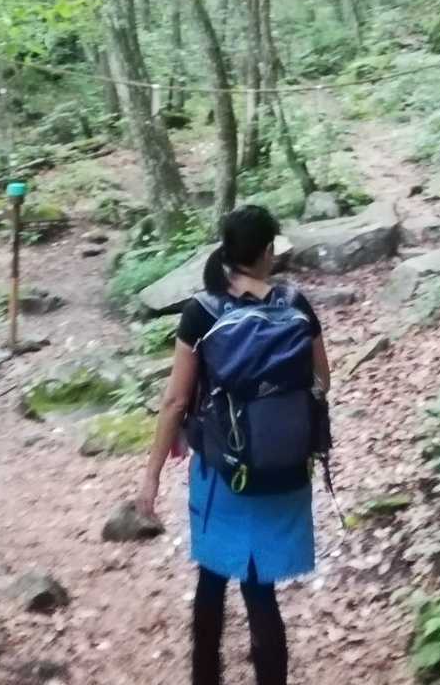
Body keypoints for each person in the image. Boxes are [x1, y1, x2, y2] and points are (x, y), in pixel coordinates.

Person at [136, 204, 330, 685]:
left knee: (212, 578)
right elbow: (321, 381)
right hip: (284, 469)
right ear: (267, 252)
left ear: (226, 251)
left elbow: (175, 400)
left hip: (223, 471)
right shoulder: (297, 305)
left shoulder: (201, 312)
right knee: (261, 590)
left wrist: (151, 477)